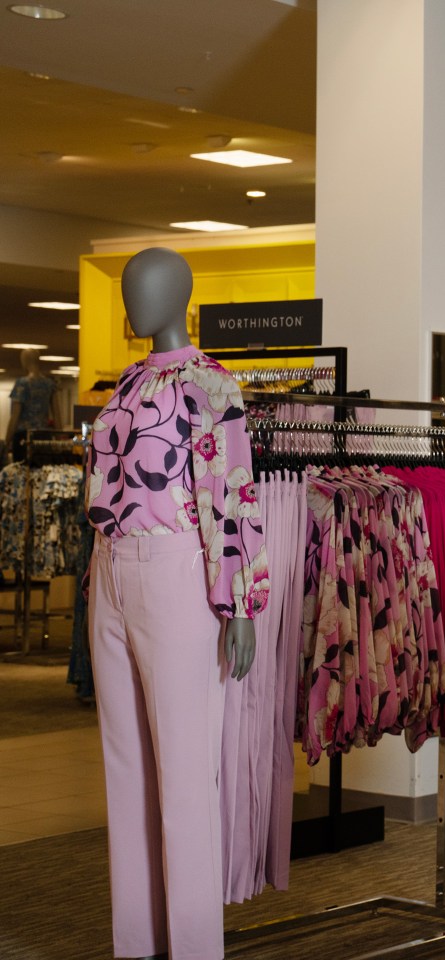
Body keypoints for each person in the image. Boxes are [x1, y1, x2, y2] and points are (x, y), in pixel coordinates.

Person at [86, 246, 268, 960]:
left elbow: (234, 492)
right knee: (125, 771)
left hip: (175, 574)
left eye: (146, 285)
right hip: (110, 573)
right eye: (129, 286)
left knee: (186, 780)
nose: (133, 298)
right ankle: (136, 945)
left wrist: (243, 601)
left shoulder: (211, 384)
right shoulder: (126, 384)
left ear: (180, 294)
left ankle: (193, 949)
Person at [7, 347, 63, 461]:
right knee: (41, 472)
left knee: (21, 472)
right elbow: (57, 415)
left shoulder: (22, 384)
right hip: (44, 436)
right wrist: (59, 440)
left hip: (23, 436)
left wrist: (7, 440)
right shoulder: (49, 384)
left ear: (24, 361)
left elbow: (15, 416)